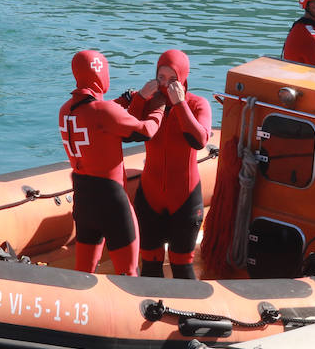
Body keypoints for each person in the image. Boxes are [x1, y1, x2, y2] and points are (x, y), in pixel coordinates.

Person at [59, 50, 164, 276]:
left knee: (83, 273)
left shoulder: (66, 110)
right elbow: (146, 131)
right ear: (101, 73)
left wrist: (130, 99)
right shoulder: (104, 111)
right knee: (128, 274)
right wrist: (158, 108)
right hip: (112, 202)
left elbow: (98, 114)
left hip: (83, 200)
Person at [124, 50, 212, 279]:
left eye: (173, 80)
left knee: (181, 265)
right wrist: (141, 98)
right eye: (160, 78)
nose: (165, 85)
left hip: (185, 197)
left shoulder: (197, 104)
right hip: (150, 196)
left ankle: (189, 313)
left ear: (183, 79)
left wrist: (180, 103)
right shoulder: (150, 104)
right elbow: (127, 132)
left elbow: (200, 140)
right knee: (150, 265)